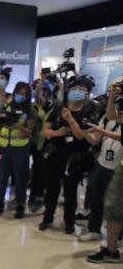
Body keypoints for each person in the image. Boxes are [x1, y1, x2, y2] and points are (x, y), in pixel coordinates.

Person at [39, 75, 100, 233]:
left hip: (75, 158)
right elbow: (44, 131)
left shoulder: (90, 110)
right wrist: (57, 132)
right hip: (55, 155)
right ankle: (47, 218)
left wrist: (71, 120)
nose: (77, 91)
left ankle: (69, 223)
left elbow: (81, 135)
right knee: (51, 190)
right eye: (74, 88)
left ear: (87, 93)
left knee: (70, 192)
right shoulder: (58, 108)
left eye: (82, 89)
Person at [80, 86, 123, 242]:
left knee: (117, 205)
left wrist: (102, 132)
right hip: (102, 163)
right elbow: (96, 138)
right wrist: (84, 130)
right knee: (96, 199)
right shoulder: (110, 118)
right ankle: (94, 229)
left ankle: (117, 235)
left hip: (118, 168)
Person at [0, 81, 38, 218]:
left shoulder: (30, 110)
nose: (21, 96)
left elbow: (29, 131)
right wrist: (1, 121)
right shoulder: (5, 107)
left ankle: (20, 206)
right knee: (1, 178)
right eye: (19, 93)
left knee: (20, 179)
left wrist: (16, 126)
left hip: (20, 149)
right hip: (3, 147)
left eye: (24, 94)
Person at [29, 79, 56, 213]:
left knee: (43, 174)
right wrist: (43, 79)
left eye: (46, 91)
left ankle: (40, 198)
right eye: (41, 91)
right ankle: (34, 198)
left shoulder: (52, 107)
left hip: (48, 145)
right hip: (36, 144)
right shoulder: (34, 107)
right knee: (36, 173)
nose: (42, 94)